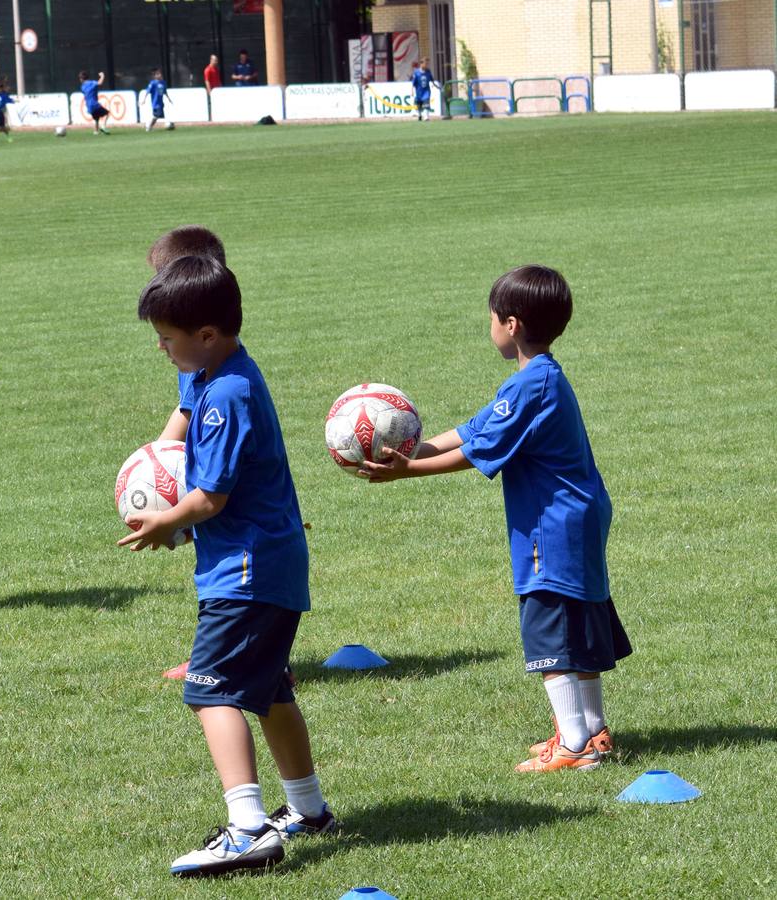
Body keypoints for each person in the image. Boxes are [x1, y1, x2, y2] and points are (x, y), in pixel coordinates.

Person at [360, 265, 631, 773]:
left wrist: (409, 470)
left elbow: (478, 451)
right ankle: (592, 732)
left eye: (490, 318)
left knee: (551, 628)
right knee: (580, 620)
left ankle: (573, 746)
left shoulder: (532, 387)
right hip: (578, 517)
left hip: (551, 527)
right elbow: (471, 429)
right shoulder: (537, 378)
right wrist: (406, 447)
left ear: (509, 323)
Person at [119, 256, 336, 877]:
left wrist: (168, 520)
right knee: (269, 693)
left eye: (167, 338)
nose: (161, 348)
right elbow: (183, 435)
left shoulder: (228, 394)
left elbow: (210, 497)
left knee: (209, 690)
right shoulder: (214, 373)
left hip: (246, 571)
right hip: (266, 563)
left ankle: (247, 828)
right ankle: (310, 810)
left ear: (206, 335)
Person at [144, 226, 227, 680]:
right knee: (213, 569)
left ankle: (246, 660)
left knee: (236, 575)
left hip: (226, 490)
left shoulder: (215, 366)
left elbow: (198, 415)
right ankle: (216, 654)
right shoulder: (194, 353)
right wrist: (153, 459)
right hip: (206, 477)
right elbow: (185, 409)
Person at [79, 70, 110, 135]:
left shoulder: (82, 87)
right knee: (107, 113)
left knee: (96, 118)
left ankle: (96, 131)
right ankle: (103, 127)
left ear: (82, 79)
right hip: (94, 104)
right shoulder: (91, 83)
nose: (80, 80)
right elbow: (100, 83)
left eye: (80, 78)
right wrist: (102, 76)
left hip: (89, 106)